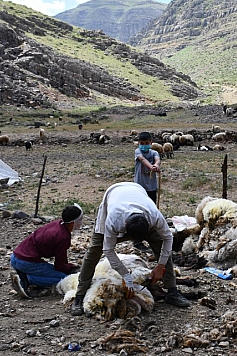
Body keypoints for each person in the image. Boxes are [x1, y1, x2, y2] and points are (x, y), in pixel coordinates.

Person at [70, 182, 190, 316]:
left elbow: (168, 238)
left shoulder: (154, 216)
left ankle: (172, 291)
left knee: (160, 243)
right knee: (94, 250)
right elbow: (108, 250)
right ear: (125, 225)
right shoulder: (114, 219)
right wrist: (126, 276)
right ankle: (80, 295)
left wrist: (160, 266)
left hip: (138, 191)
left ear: (148, 224)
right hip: (113, 193)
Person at [10, 204, 84, 298]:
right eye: (80, 221)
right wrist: (70, 268)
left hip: (16, 257)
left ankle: (24, 274)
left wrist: (67, 265)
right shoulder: (63, 237)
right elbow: (59, 266)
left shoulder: (58, 224)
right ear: (72, 223)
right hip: (25, 262)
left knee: (60, 273)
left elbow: (61, 254)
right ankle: (26, 279)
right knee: (62, 278)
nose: (81, 223)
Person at [133, 131, 160, 251]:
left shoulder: (154, 152)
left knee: (152, 210)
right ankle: (137, 240)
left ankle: (152, 236)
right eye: (142, 143)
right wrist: (151, 167)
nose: (144, 145)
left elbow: (157, 159)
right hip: (140, 187)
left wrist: (157, 165)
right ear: (139, 143)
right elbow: (143, 160)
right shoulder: (137, 152)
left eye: (146, 143)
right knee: (139, 213)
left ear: (151, 143)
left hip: (152, 187)